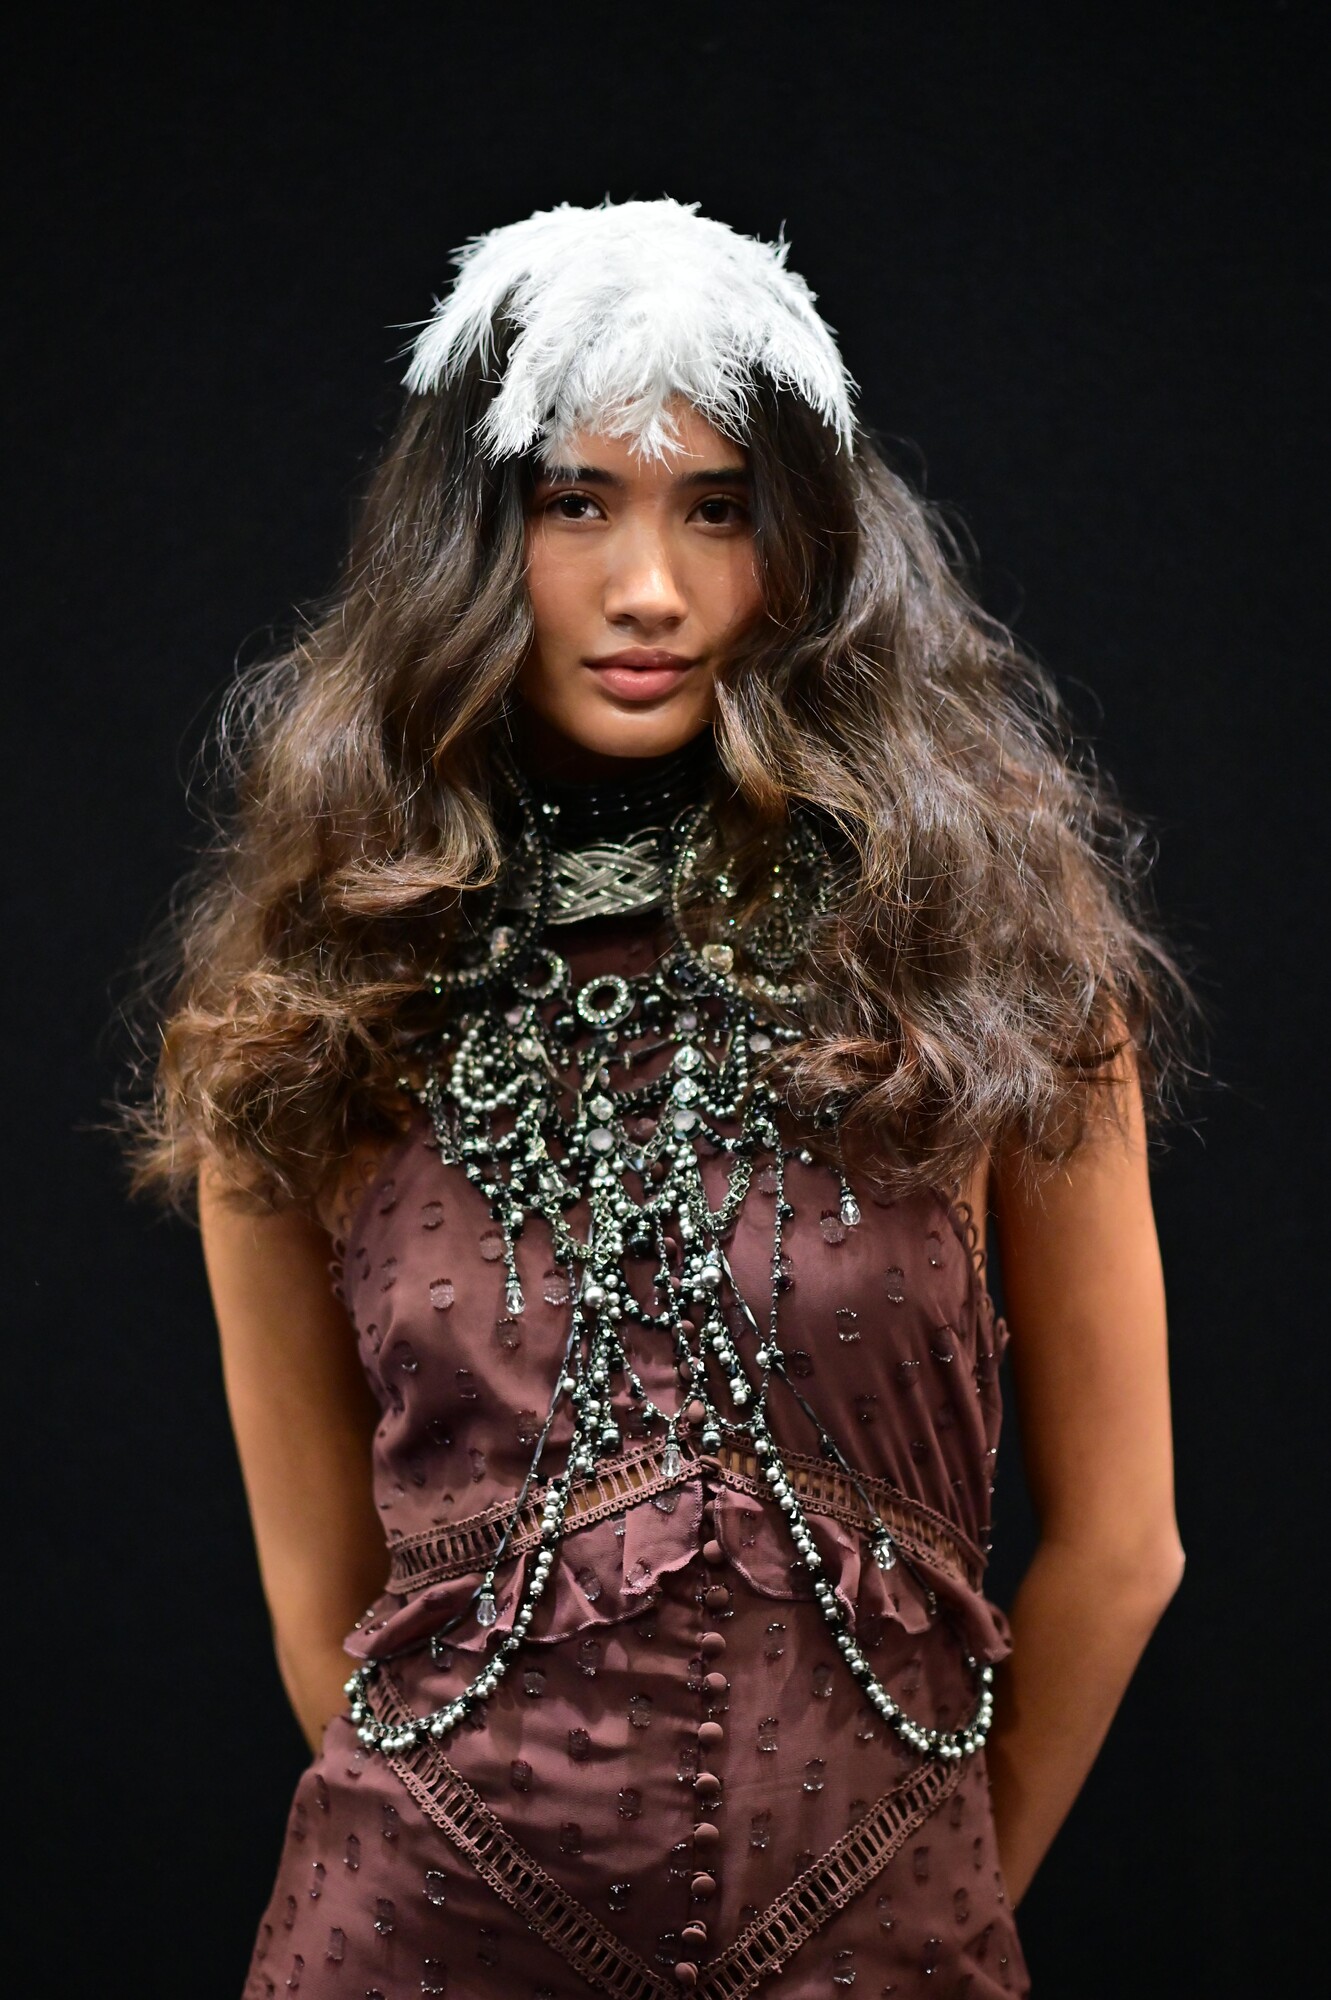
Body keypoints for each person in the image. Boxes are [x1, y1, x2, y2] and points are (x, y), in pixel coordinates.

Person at [132, 198, 1187, 1998]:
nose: (650, 589)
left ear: (811, 544)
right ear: (473, 541)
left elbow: (1124, 1551)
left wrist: (908, 1893)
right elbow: (328, 1620)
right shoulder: (316, 1003)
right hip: (417, 1943)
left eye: (718, 508)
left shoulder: (994, 974)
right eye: (574, 504)